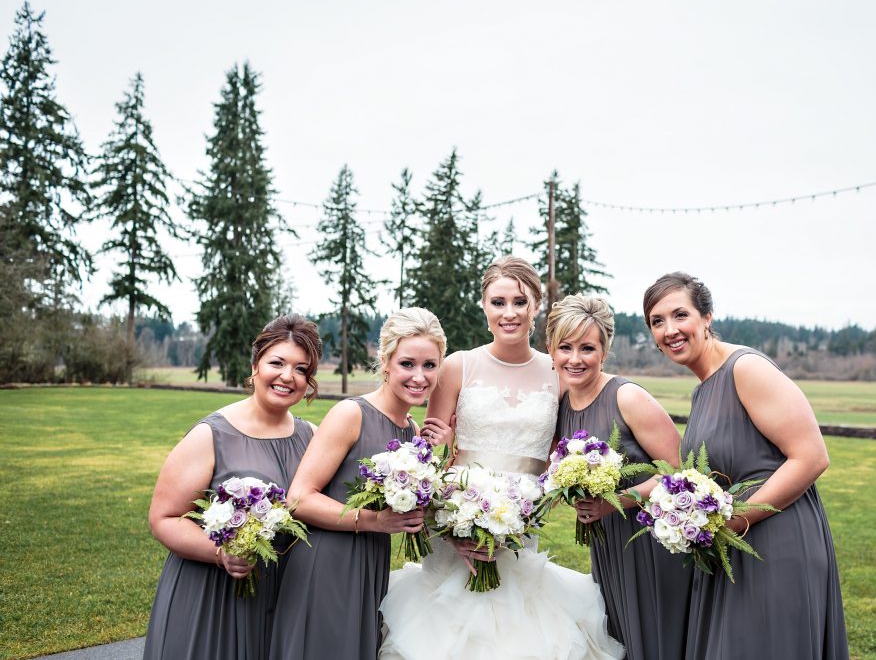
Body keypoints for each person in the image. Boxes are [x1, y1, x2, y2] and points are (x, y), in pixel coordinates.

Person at [379, 257, 623, 660]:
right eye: (498, 302)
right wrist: (454, 524)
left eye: (519, 302)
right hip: (455, 524)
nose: (509, 313)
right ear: (484, 306)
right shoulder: (458, 365)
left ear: (536, 307)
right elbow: (428, 463)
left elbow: (556, 458)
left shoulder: (558, 372)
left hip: (521, 528)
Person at [643, 272, 848, 659]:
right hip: (734, 544)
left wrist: (734, 519)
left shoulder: (745, 369)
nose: (669, 330)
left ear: (707, 317)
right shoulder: (704, 387)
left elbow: (811, 456)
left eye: (679, 315)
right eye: (657, 321)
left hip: (777, 539)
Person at [270, 308, 451, 660]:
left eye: (430, 365)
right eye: (407, 364)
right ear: (385, 362)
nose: (419, 376)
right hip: (327, 563)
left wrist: (441, 453)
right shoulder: (351, 414)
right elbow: (299, 499)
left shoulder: (412, 432)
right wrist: (375, 522)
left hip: (372, 564)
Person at [143, 314, 322, 660]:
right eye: (277, 362)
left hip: (285, 597)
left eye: (301, 369)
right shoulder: (212, 435)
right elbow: (163, 518)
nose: (288, 376)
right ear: (255, 364)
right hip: (215, 595)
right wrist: (221, 553)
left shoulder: (312, 436)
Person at [549, 294, 691, 659]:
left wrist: (616, 503)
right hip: (607, 544)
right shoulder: (562, 403)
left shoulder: (626, 397)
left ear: (605, 349)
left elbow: (680, 470)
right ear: (551, 349)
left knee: (655, 639)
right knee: (618, 636)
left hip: (647, 541)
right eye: (565, 347)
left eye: (587, 348)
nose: (575, 359)